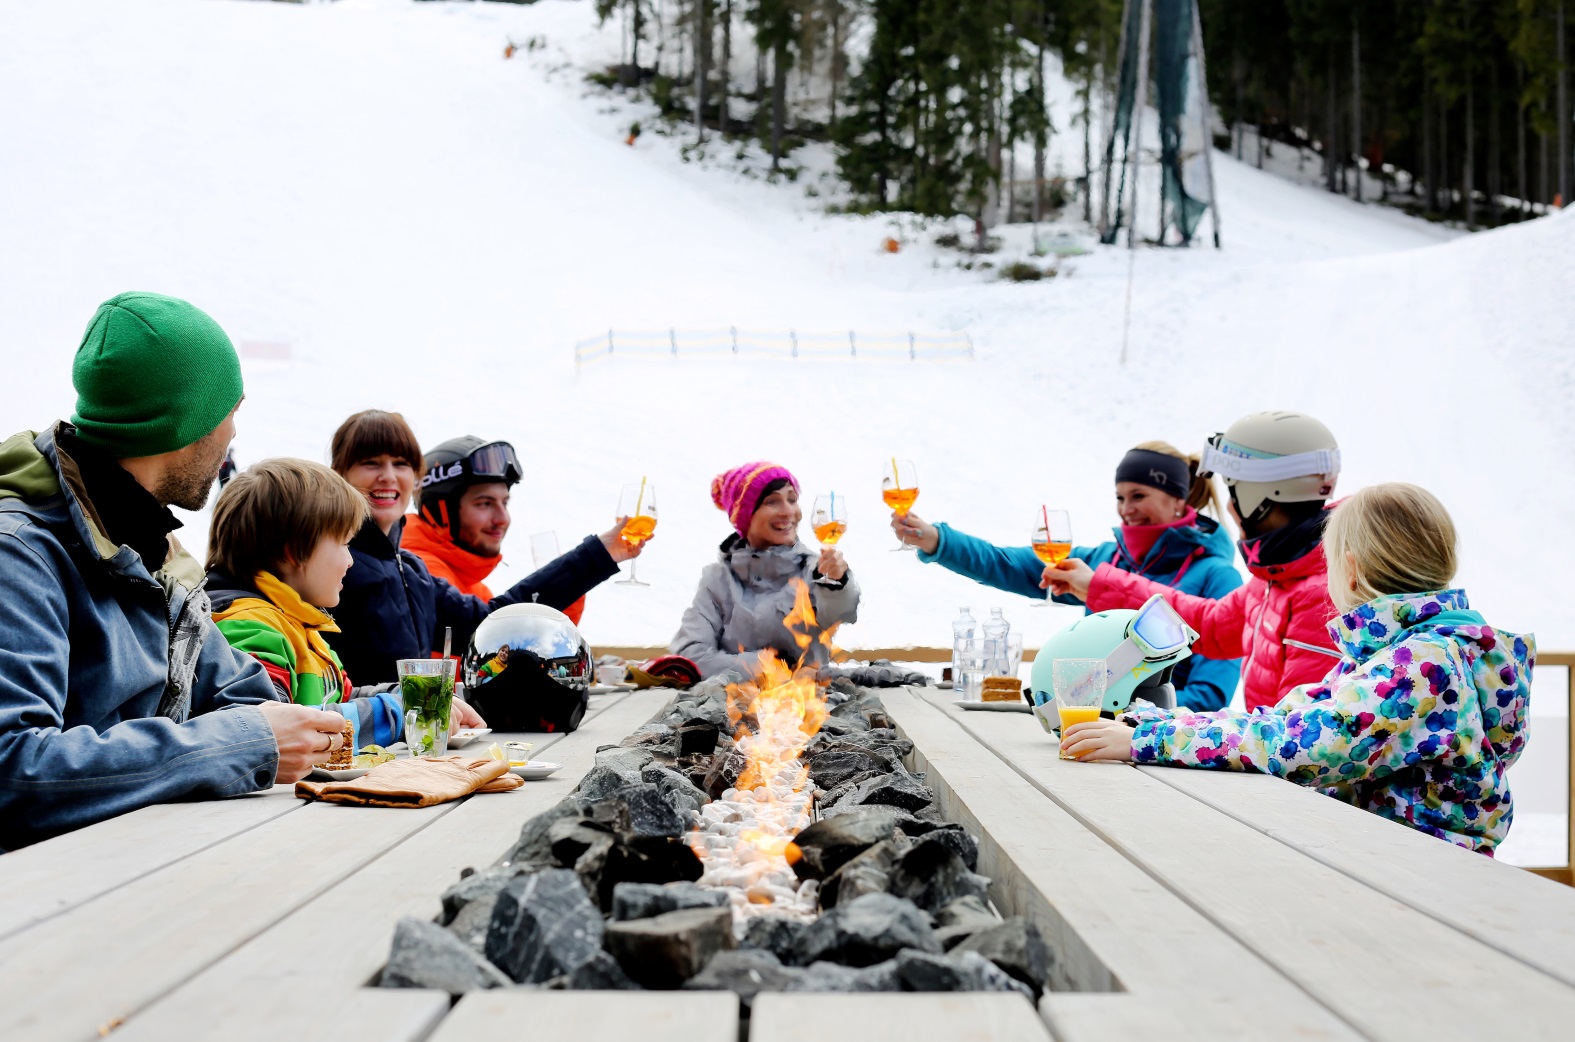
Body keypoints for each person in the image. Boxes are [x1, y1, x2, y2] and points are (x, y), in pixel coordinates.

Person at [0, 293, 349, 848]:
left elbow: (251, 702)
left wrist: (396, 708)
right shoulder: (19, 555)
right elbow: (12, 769)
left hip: (140, 869)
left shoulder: (155, 558)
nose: (233, 434)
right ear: (187, 424)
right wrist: (241, 744)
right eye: (231, 412)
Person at [1061, 483, 1533, 855]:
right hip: (1398, 857)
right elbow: (1287, 720)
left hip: (1415, 870)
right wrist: (1157, 723)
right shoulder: (1411, 651)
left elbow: (1304, 745)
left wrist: (1147, 742)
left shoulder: (1422, 664)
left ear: (1348, 570)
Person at [892, 442, 1243, 711]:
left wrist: (1131, 717)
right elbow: (1007, 564)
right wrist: (939, 541)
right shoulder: (1105, 560)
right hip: (1089, 729)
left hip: (1163, 746)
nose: (1126, 509)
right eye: (1120, 497)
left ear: (1179, 501)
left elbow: (1211, 693)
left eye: (1139, 496)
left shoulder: (1217, 576)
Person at [1046, 411, 1341, 711]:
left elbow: (1296, 737)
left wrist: (1147, 736)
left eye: (1234, 489)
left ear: (1260, 494)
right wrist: (1098, 586)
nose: (1228, 505)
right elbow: (1207, 626)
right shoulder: (1279, 578)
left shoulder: (1322, 595)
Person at [324, 411, 637, 684]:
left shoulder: (411, 571)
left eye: (402, 464)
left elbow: (494, 622)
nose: (388, 476)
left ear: (416, 479)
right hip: (354, 745)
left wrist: (598, 554)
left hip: (410, 745)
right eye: (370, 463)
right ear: (339, 474)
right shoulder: (327, 560)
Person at [206, 459, 485, 749]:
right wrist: (397, 714)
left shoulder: (302, 628)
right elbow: (274, 734)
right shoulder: (248, 627)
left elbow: (344, 699)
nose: (351, 560)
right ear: (294, 552)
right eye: (344, 543)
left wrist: (415, 695)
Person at [672, 462, 860, 678]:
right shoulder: (717, 580)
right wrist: (770, 666)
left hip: (809, 704)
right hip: (730, 705)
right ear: (745, 516)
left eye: (792, 499)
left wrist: (837, 582)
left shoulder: (811, 571)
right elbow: (691, 658)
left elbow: (843, 612)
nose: (788, 511)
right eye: (772, 502)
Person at [401, 435, 606, 624]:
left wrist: (565, 584)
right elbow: (495, 644)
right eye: (484, 503)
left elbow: (531, 649)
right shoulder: (423, 571)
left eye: (504, 503)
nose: (502, 518)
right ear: (440, 511)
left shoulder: (472, 586)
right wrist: (575, 569)